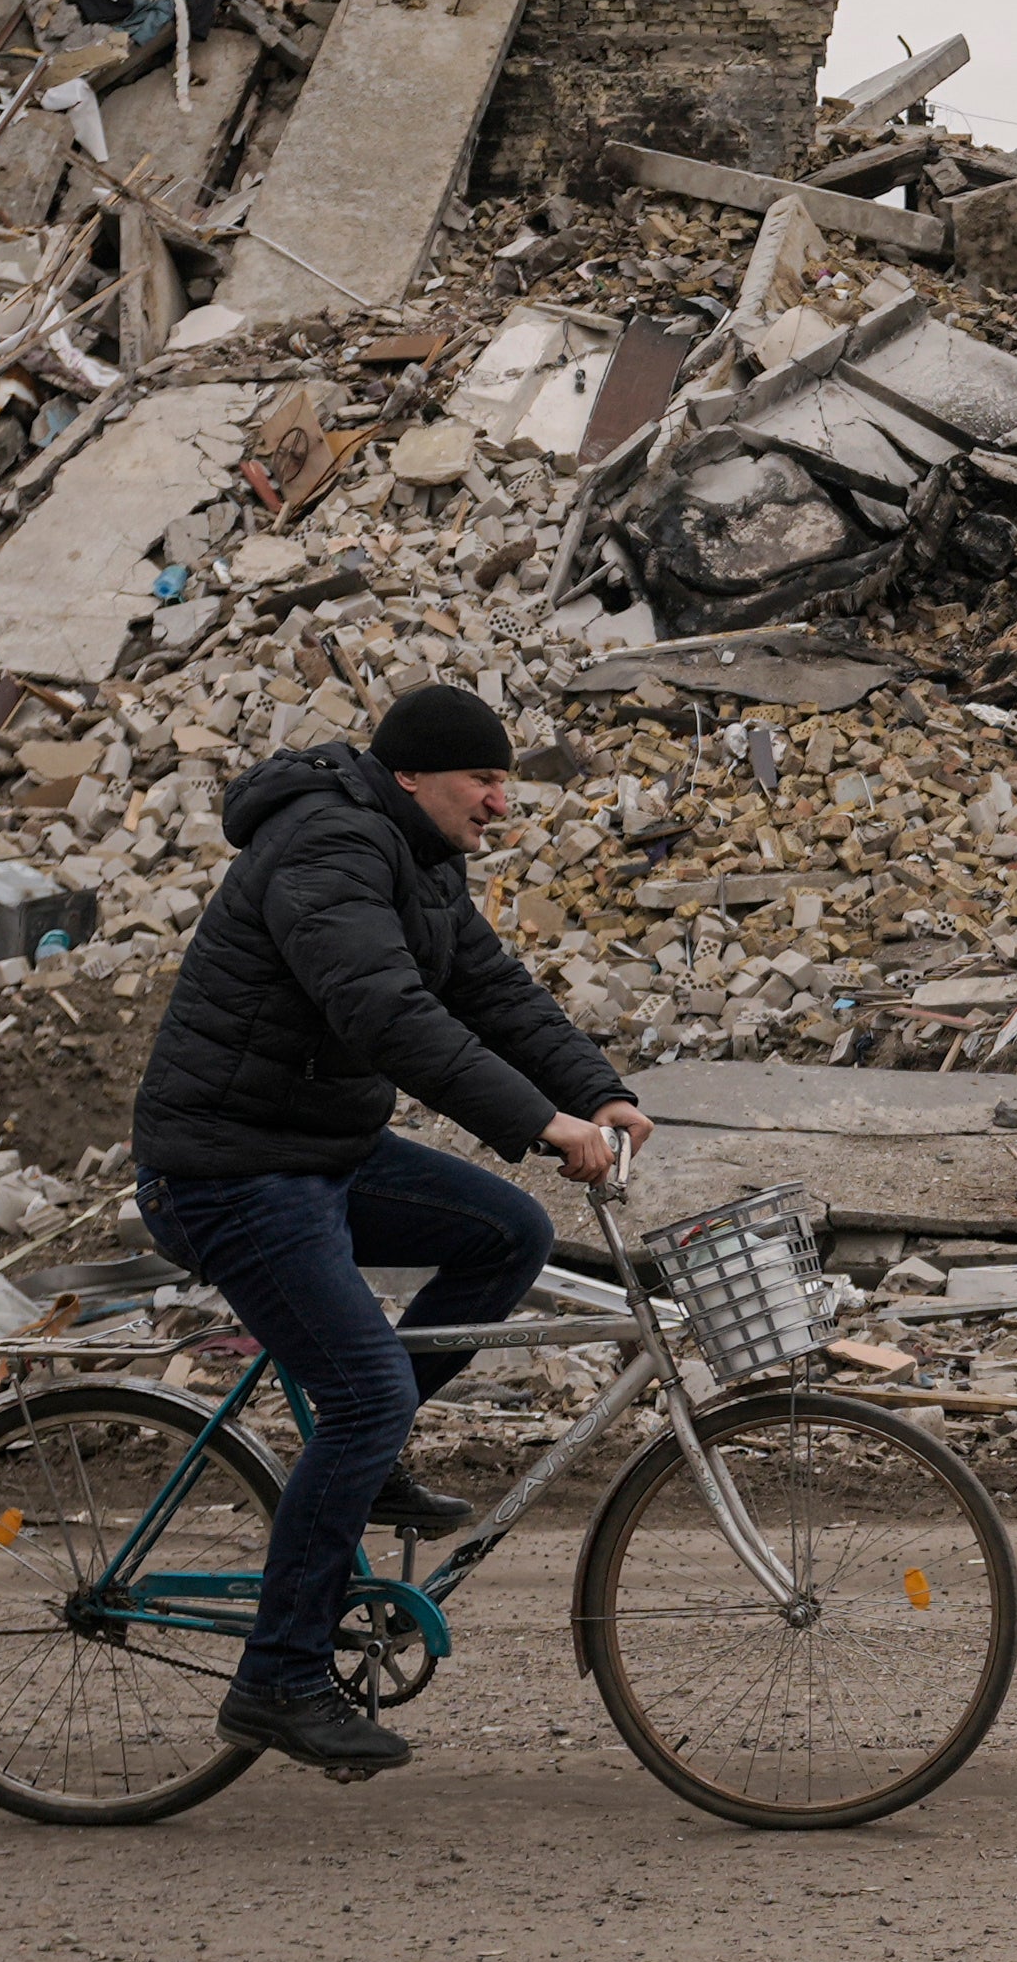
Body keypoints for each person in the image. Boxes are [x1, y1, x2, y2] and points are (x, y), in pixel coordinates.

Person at [130, 683, 653, 1778]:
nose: (504, 803)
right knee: (365, 1392)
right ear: (415, 774)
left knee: (503, 1231)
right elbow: (385, 1012)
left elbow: (490, 991)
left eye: (507, 780)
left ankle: (357, 1473)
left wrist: (594, 1088)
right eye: (487, 779)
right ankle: (278, 1677)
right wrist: (539, 1121)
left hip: (313, 1147)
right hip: (228, 1167)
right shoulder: (328, 844)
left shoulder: (416, 856)